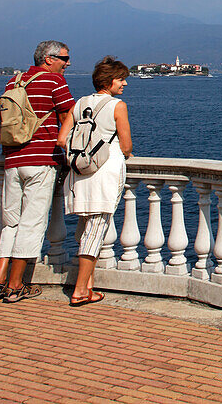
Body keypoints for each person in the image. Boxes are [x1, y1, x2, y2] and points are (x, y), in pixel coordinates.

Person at [0, 40, 75, 303]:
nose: (67, 63)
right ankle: (16, 285)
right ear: (49, 59)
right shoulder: (54, 82)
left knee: (10, 222)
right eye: (64, 58)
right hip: (41, 161)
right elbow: (69, 116)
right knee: (32, 223)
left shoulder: (14, 82)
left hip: (13, 160)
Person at [57, 56, 132, 306]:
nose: (124, 84)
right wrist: (124, 152)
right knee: (96, 230)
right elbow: (126, 145)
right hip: (105, 173)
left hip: (80, 172)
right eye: (121, 79)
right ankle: (80, 291)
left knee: (86, 228)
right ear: (110, 81)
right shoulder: (117, 106)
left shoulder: (79, 104)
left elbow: (61, 140)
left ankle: (88, 286)